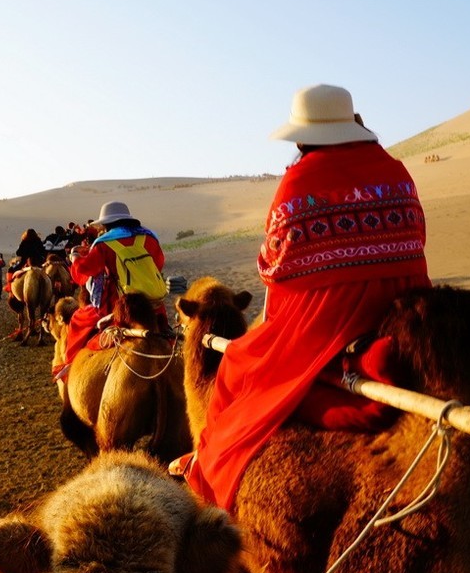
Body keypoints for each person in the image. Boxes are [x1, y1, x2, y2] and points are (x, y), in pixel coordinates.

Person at [184, 84, 431, 511]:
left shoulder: (299, 180)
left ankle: (211, 475)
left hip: (330, 316)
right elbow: (418, 237)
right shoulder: (396, 169)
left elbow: (273, 266)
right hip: (402, 306)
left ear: (303, 138)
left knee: (238, 369)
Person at [55, 201, 168, 379]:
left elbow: (83, 271)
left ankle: (72, 370)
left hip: (120, 306)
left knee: (78, 320)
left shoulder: (103, 243)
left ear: (106, 224)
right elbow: (159, 264)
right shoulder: (149, 237)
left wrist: (75, 257)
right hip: (153, 305)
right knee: (165, 332)